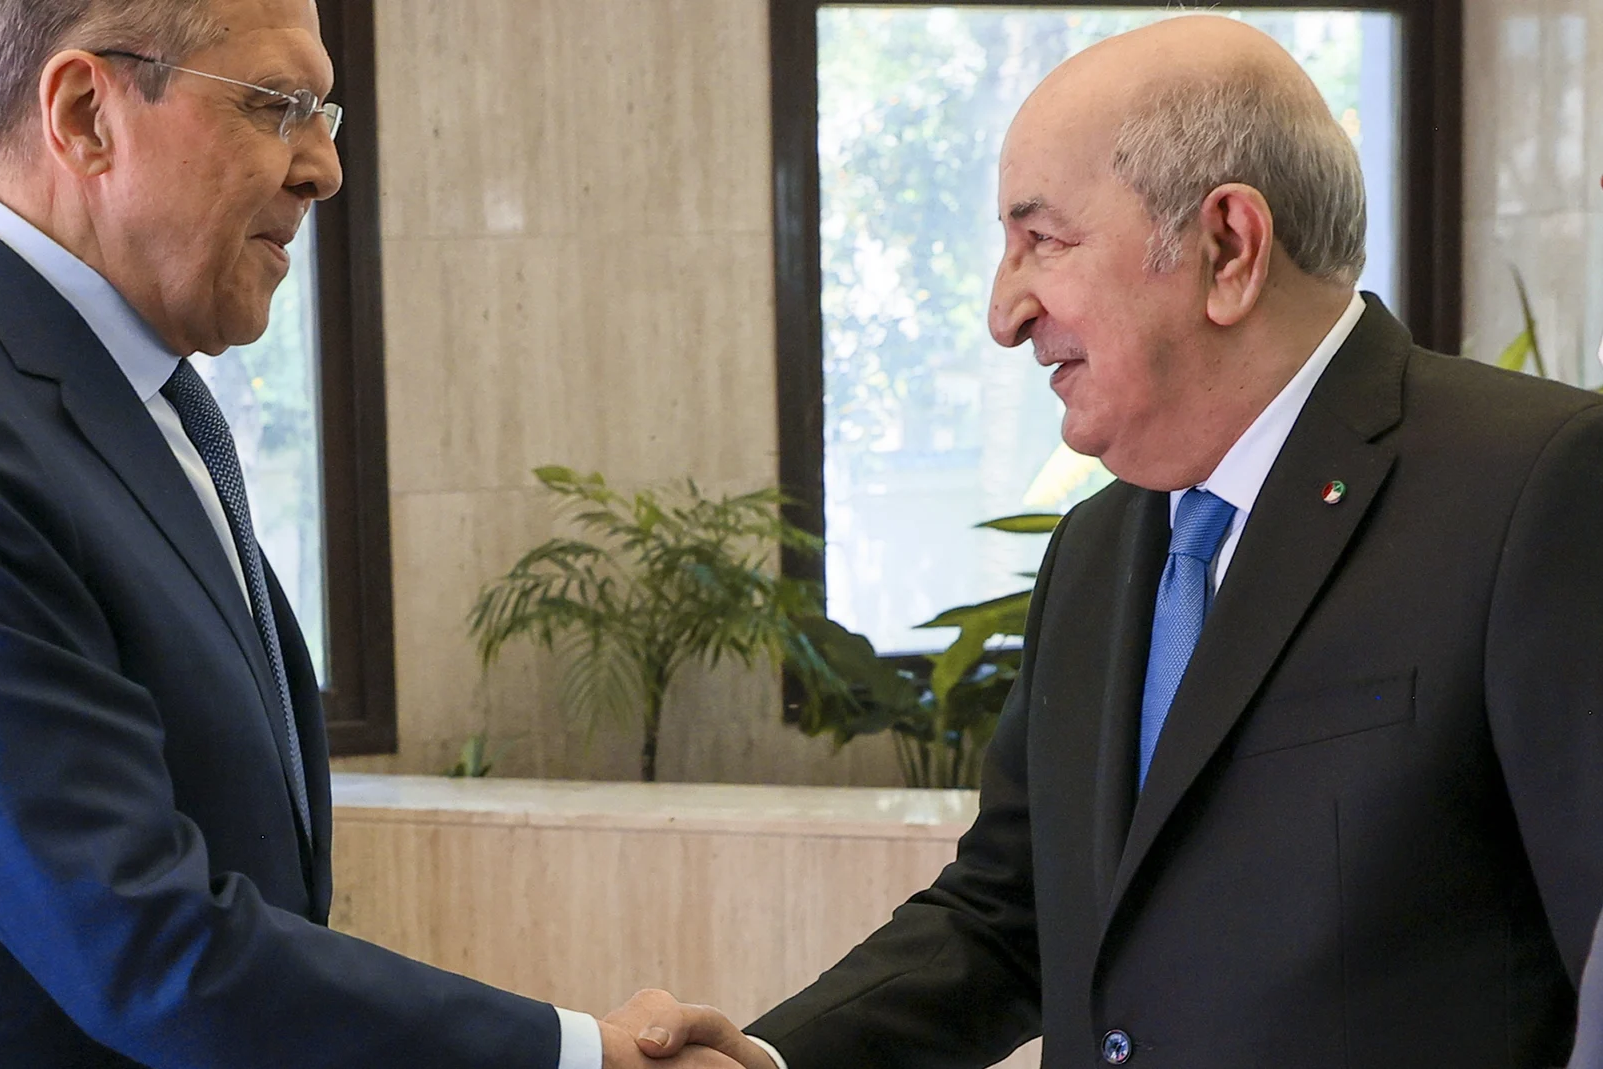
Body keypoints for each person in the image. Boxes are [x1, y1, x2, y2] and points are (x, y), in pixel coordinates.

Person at [0, 1, 737, 1065]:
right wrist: (582, 1056)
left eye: (321, 111)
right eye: (278, 107)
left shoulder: (131, 395)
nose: (324, 167)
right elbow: (142, 936)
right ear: (84, 115)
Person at [624, 14, 1603, 1069]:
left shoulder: (1536, 488)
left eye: (1041, 240)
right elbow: (1009, 918)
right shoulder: (1095, 549)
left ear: (1227, 246)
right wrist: (770, 1060)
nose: (1002, 312)